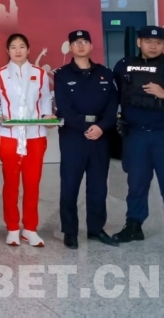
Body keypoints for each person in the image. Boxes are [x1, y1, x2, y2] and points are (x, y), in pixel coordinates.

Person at [112, 25, 164, 242]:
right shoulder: (123, 66)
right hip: (136, 135)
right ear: (139, 42)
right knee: (136, 184)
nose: (153, 46)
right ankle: (134, 226)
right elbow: (114, 94)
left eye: (158, 42)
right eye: (148, 41)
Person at [54, 30, 120, 249]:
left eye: (85, 42)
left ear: (91, 46)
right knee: (70, 185)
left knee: (98, 186)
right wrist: (85, 127)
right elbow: (64, 108)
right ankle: (70, 231)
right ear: (70, 47)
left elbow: (112, 106)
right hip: (73, 136)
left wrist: (101, 127)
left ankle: (96, 229)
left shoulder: (105, 73)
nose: (81, 46)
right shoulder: (62, 74)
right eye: (76, 42)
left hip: (101, 136)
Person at [0, 34, 55, 247]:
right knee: (10, 184)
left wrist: (46, 115)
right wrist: (1, 116)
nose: (17, 51)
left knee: (32, 183)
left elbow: (45, 98)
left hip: (35, 135)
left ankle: (30, 228)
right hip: (9, 136)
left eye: (21, 47)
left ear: (28, 49)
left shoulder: (39, 73)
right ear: (7, 51)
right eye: (13, 47)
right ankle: (12, 228)